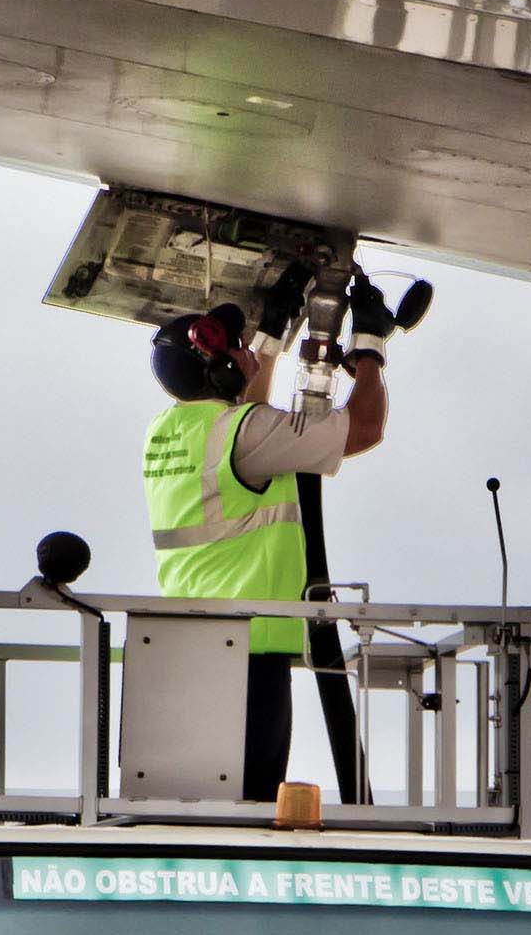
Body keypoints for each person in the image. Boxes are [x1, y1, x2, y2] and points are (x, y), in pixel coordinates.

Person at [141, 289, 393, 801]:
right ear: (216, 370)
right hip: (248, 652)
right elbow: (365, 428)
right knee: (249, 806)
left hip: (188, 646)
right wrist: (369, 354)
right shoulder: (239, 432)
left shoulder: (170, 431)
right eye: (238, 350)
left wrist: (275, 335)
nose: (248, 356)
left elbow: (250, 412)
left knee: (193, 809)